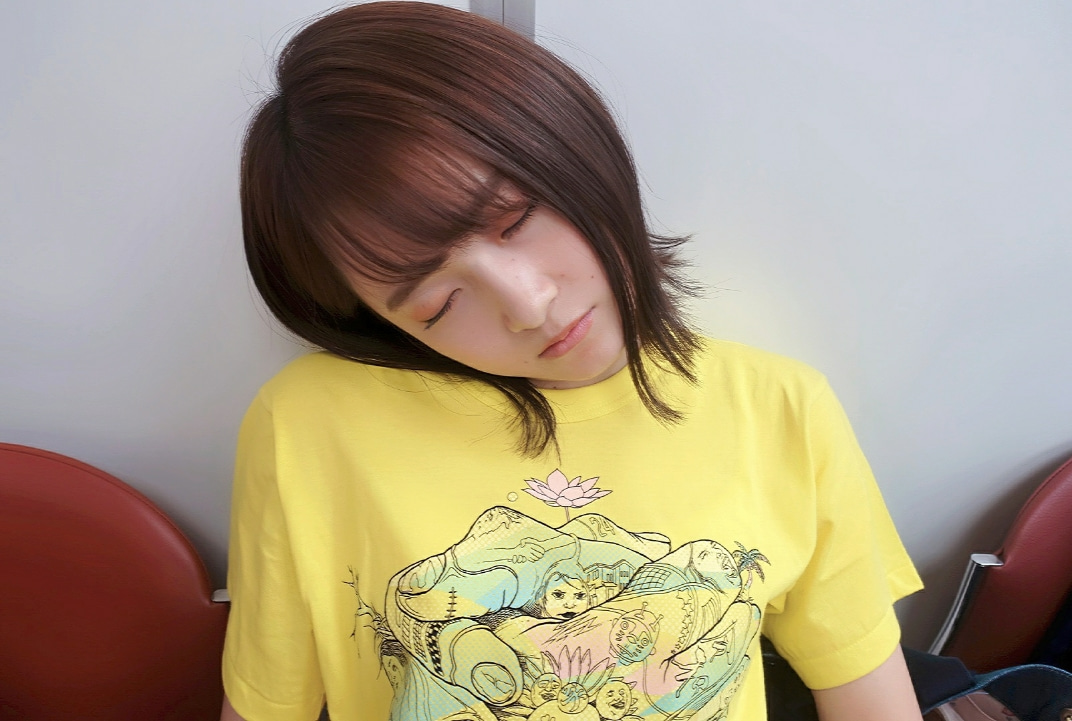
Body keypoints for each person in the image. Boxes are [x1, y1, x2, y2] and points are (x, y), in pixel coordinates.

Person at [220, 2, 925, 719]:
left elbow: (867, 692)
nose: (528, 305)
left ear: (570, 146)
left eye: (518, 218)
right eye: (437, 304)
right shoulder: (308, 426)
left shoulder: (780, 408)